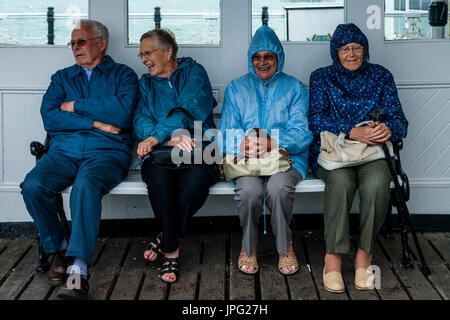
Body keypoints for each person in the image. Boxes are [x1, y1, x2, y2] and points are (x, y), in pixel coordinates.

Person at [20, 20, 138, 300]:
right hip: (64, 152)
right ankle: (58, 251)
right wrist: (98, 123)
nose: (75, 48)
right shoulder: (62, 77)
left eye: (81, 41)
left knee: (85, 186)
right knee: (33, 186)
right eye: (72, 43)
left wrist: (75, 107)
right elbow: (50, 117)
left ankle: (78, 272)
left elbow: (121, 114)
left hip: (107, 152)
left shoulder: (123, 75)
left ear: (102, 42)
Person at [308, 23, 408, 293]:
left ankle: (364, 256)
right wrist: (352, 130)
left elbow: (399, 120)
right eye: (344, 49)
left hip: (372, 153)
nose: (351, 54)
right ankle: (333, 259)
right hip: (335, 154)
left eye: (357, 48)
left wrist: (389, 128)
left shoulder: (381, 76)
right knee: (340, 184)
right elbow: (315, 119)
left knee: (376, 186)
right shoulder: (321, 78)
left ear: (365, 50)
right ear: (335, 52)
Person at [218, 25, 313, 276]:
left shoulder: (295, 88)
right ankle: (248, 247)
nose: (262, 62)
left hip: (286, 158)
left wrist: (273, 143)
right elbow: (226, 131)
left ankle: (284, 246)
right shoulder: (237, 88)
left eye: (268, 56)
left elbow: (302, 133)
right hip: (246, 161)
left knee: (278, 188)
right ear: (250, 60)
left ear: (278, 58)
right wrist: (243, 144)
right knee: (249, 191)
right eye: (257, 57)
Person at [133, 29, 218, 284]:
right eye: (141, 54)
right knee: (160, 185)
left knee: (193, 187)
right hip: (161, 154)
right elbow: (139, 120)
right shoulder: (145, 84)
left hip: (200, 149)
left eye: (149, 52)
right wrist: (165, 138)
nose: (144, 59)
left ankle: (165, 236)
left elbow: (189, 109)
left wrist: (160, 134)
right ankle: (172, 249)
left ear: (169, 51)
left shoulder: (194, 73)